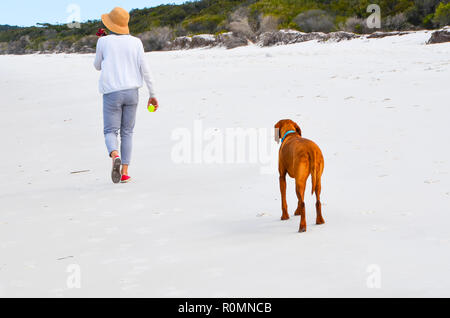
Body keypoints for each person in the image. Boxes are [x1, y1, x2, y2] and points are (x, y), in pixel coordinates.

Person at [94, 7, 158, 184]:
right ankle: (125, 173)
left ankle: (115, 155)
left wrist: (102, 42)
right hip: (132, 93)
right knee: (128, 132)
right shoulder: (136, 42)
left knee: (110, 131)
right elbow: (145, 70)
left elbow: (97, 66)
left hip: (111, 92)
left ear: (110, 24)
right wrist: (152, 94)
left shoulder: (103, 42)